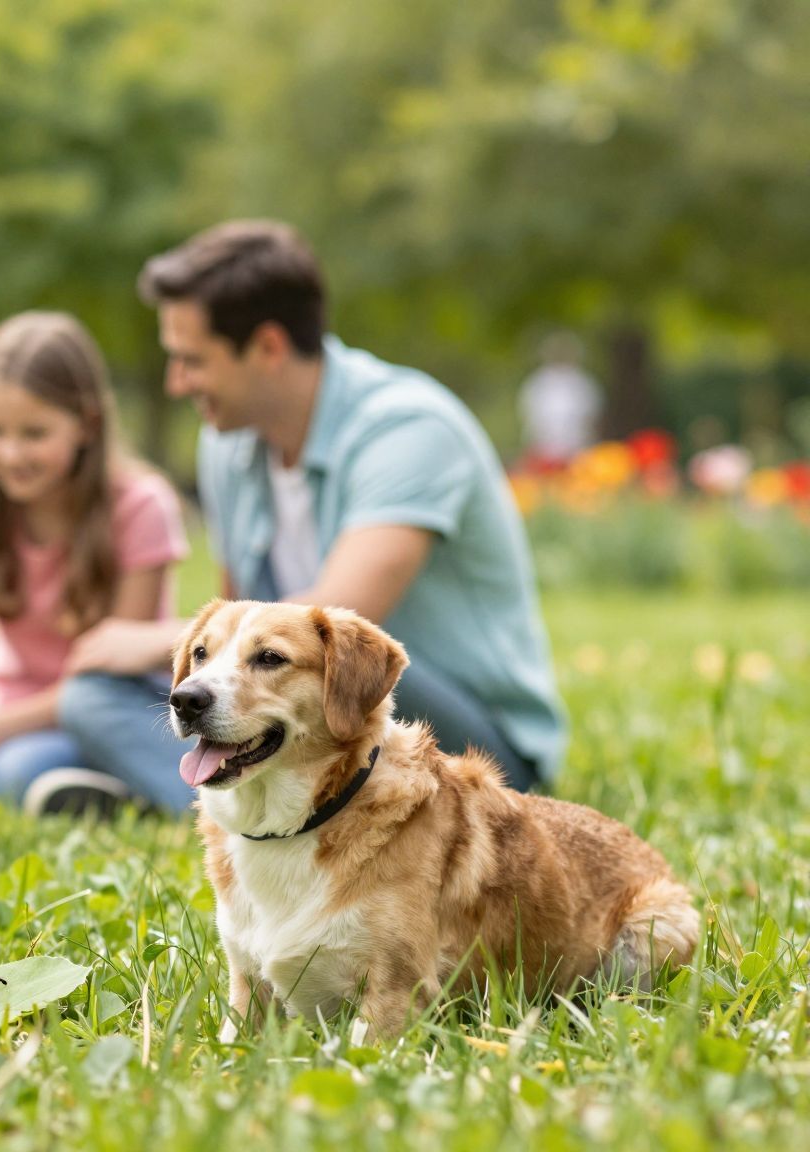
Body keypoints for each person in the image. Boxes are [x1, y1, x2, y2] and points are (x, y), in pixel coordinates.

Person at [60, 220, 566, 793]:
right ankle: (222, 799)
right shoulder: (227, 443)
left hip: (462, 737)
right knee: (92, 695)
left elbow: (347, 612)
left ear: (269, 347)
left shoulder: (409, 427)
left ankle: (198, 801)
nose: (178, 383)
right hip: (308, 720)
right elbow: (239, 621)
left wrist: (150, 641)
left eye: (193, 360)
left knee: (350, 655)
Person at [0, 312, 191, 818]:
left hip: (101, 712)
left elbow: (115, 672)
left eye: (34, 433)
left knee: (8, 776)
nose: (9, 452)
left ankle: (129, 787)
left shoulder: (139, 507)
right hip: (5, 713)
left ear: (87, 424)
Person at [518, 331, 602, 470]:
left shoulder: (584, 383)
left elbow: (592, 419)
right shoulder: (537, 383)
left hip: (577, 449)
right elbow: (531, 418)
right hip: (543, 449)